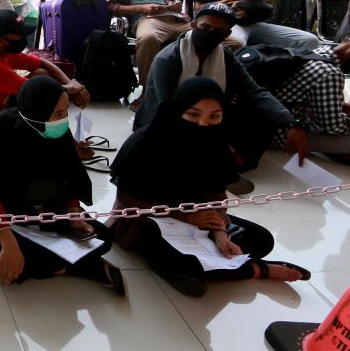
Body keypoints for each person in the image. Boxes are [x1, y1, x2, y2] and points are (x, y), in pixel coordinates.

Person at [111, 78, 310, 297]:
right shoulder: (146, 143)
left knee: (262, 239)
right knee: (191, 283)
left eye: (214, 116)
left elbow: (216, 196)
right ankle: (255, 269)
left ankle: (225, 264)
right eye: (194, 115)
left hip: (197, 221)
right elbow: (129, 204)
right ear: (179, 110)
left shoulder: (216, 145)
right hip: (145, 222)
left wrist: (220, 232)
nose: (203, 125)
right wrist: (186, 217)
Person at [0, 76, 124, 294]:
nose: (64, 120)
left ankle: (57, 266)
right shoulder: (0, 132)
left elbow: (70, 177)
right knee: (3, 252)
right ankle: (80, 266)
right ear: (36, 110)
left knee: (102, 237)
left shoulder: (56, 129)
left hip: (46, 208)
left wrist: (73, 212)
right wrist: (9, 244)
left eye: (65, 112)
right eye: (58, 114)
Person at [135, 3, 309, 185]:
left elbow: (254, 91)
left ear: (226, 35)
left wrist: (291, 123)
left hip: (204, 119)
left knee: (259, 122)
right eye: (205, 27)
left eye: (218, 31)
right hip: (164, 123)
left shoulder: (225, 56)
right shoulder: (168, 58)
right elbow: (168, 110)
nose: (210, 33)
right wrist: (216, 145)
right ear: (193, 25)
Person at [258, 30, 350, 175]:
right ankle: (340, 153)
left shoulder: (315, 51)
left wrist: (344, 107)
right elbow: (333, 126)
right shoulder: (331, 73)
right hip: (278, 133)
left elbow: (300, 94)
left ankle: (334, 148)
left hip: (262, 119)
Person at [0, 9, 89, 142]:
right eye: (18, 35)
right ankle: (65, 143)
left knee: (41, 74)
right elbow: (40, 92)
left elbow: (42, 62)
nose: (22, 39)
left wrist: (69, 83)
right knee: (44, 99)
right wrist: (69, 90)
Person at [105, 0, 190, 110]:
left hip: (175, 18)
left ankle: (192, 89)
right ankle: (148, 91)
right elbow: (110, 6)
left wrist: (173, 6)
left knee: (217, 38)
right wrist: (142, 8)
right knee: (149, 39)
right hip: (146, 19)